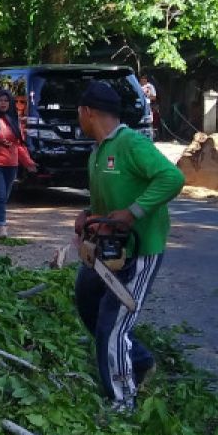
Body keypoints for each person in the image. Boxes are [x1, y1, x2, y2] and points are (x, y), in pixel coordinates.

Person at [72, 82, 184, 412]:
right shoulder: (97, 151)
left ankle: (123, 403)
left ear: (87, 112)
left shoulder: (131, 144)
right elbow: (103, 198)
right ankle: (139, 360)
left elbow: (172, 178)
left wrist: (133, 213)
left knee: (113, 325)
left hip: (139, 248)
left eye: (78, 113)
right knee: (86, 296)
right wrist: (88, 216)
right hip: (106, 248)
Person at [0, 89, 37, 236]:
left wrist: (28, 162)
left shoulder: (13, 120)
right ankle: (2, 225)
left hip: (11, 165)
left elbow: (19, 144)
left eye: (6, 100)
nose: (3, 103)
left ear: (10, 103)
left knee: (2, 197)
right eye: (0, 100)